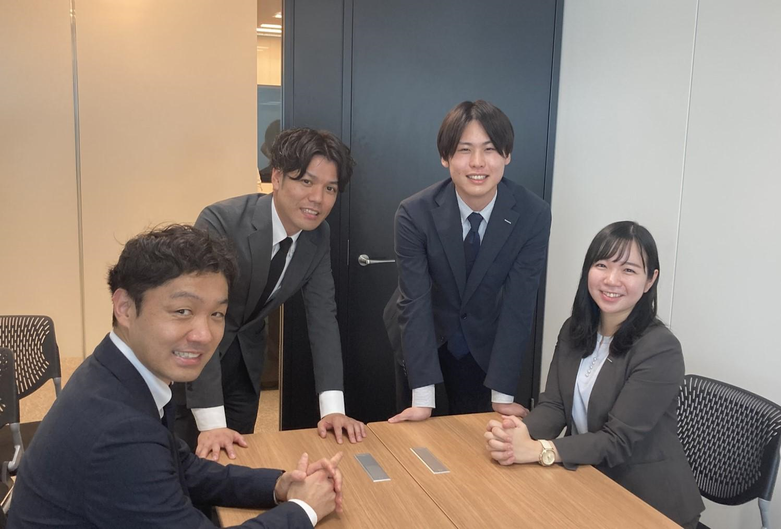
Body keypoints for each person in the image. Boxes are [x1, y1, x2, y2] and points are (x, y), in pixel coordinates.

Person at [8, 225, 343, 528]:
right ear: (124, 308)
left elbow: (181, 465)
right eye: (182, 311)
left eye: (217, 314)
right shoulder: (119, 432)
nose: (204, 335)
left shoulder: (117, 370)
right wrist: (305, 509)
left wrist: (278, 485)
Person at [484, 221, 704, 529]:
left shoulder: (660, 349)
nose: (611, 279)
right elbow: (555, 406)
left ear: (650, 280)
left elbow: (617, 441)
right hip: (586, 479)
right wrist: (515, 435)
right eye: (602, 265)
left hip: (645, 501)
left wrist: (541, 450)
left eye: (628, 270)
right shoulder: (574, 330)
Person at [175, 128, 366, 462]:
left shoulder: (318, 236)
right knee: (184, 457)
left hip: (246, 363)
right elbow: (197, 316)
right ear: (277, 177)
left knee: (239, 460)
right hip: (194, 360)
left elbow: (323, 317)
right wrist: (212, 422)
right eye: (306, 182)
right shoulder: (221, 221)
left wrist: (333, 408)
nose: (318, 198)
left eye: (330, 188)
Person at [384, 100, 552, 422]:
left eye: (489, 149)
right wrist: (423, 399)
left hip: (484, 339)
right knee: (419, 429)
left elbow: (519, 304)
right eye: (464, 150)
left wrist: (502, 395)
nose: (477, 162)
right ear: (445, 157)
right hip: (422, 333)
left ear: (506, 154)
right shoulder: (414, 213)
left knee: (475, 433)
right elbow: (415, 302)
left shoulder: (533, 214)